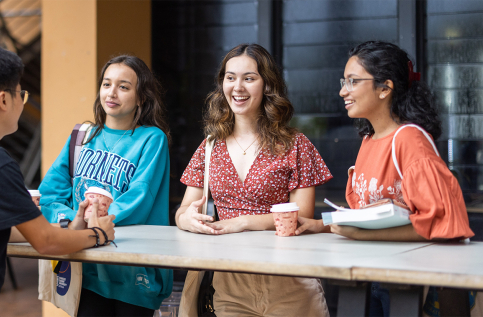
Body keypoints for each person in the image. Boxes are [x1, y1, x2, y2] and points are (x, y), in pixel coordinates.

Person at [295, 41, 474, 316]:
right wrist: (320, 226)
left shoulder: (410, 141)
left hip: (412, 284)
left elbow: (443, 223)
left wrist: (358, 236)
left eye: (353, 82)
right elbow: (369, 216)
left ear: (384, 88)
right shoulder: (369, 140)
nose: (343, 91)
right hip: (376, 276)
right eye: (344, 82)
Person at [175, 43, 333, 316]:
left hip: (289, 279)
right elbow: (184, 210)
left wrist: (243, 222)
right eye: (230, 77)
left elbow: (302, 217)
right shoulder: (209, 147)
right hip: (230, 282)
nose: (238, 87)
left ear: (267, 85)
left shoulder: (296, 145)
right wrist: (186, 219)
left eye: (249, 78)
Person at [39, 55, 173, 317]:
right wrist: (71, 223)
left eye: (124, 87)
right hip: (86, 265)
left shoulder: (151, 139)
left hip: (132, 269)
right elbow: (49, 195)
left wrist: (91, 223)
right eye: (106, 84)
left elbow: (140, 198)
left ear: (141, 97)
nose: (112, 93)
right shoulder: (82, 136)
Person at [0, 47, 115, 290]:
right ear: (3, 100)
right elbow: (45, 242)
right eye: (22, 93)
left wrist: (68, 228)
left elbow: (9, 230)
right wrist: (98, 234)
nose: (22, 101)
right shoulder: (3, 166)